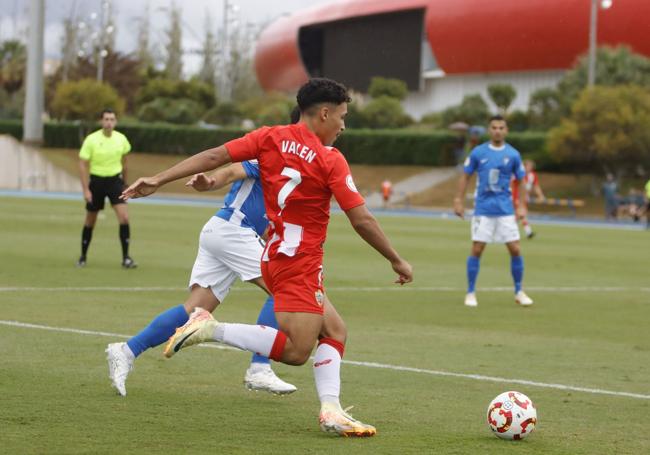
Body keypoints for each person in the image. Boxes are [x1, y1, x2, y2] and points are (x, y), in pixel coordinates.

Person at [121, 77, 413, 437]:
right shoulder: (329, 159)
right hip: (298, 263)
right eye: (342, 116)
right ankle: (210, 328)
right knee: (295, 352)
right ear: (324, 113)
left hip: (275, 256)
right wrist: (396, 259)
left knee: (335, 330)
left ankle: (331, 410)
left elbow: (215, 157)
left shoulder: (269, 137)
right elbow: (361, 218)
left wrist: (158, 179)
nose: (343, 125)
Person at [105, 161, 296, 397]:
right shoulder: (271, 155)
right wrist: (210, 181)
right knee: (286, 291)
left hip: (222, 232)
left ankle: (126, 351)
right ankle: (259, 367)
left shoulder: (293, 168)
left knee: (194, 309)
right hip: (233, 231)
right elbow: (232, 170)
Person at [453, 115, 533, 308]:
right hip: (483, 209)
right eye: (494, 127)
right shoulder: (478, 152)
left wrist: (522, 205)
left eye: (501, 127)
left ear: (506, 131)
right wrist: (458, 200)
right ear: (489, 130)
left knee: (515, 249)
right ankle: (471, 292)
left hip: (505, 210)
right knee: (477, 249)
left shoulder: (513, 154)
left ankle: (519, 291)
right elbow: (465, 177)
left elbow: (521, 180)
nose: (497, 130)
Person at [77, 109, 136, 268]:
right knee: (90, 220)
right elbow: (82, 163)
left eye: (112, 119)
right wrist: (85, 189)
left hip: (115, 182)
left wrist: (125, 182)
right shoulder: (92, 139)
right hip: (96, 182)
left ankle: (126, 258)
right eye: (106, 119)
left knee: (124, 218)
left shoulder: (121, 139)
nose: (109, 122)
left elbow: (125, 162)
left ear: (115, 122)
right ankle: (83, 257)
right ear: (101, 121)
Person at [511, 159, 545, 239]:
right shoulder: (518, 174)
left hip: (524, 198)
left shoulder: (532, 175)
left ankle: (511, 231)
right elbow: (512, 185)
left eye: (531, 167)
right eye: (528, 166)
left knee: (519, 216)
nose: (529, 168)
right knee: (522, 214)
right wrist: (513, 197)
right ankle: (527, 232)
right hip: (516, 197)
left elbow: (536, 186)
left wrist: (540, 195)